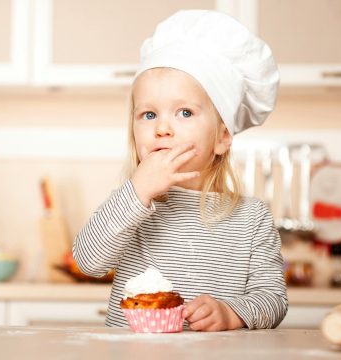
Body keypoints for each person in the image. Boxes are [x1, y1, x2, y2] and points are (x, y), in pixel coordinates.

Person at [73, 9, 287, 331]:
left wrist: (232, 313)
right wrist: (138, 191)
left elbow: (273, 298)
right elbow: (88, 262)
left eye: (184, 112)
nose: (162, 128)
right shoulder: (134, 205)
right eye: (148, 114)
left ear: (222, 136)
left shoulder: (251, 218)